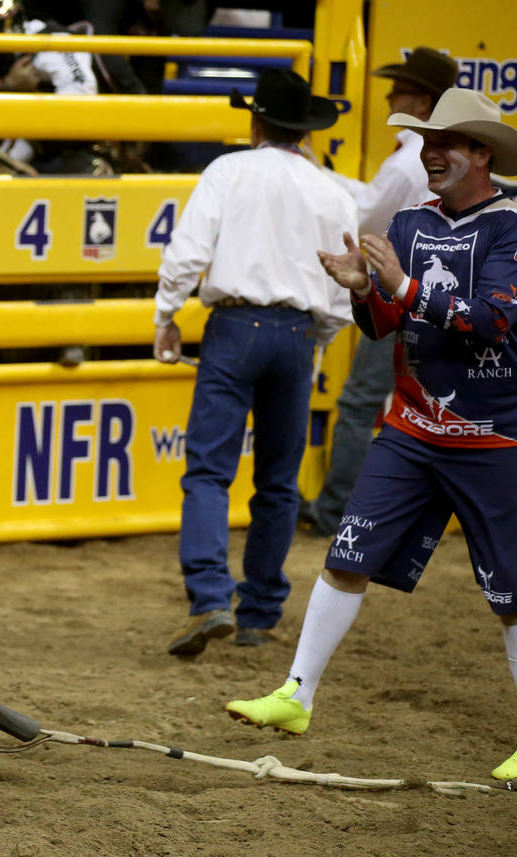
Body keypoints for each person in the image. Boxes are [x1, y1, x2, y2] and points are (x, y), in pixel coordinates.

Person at [225, 87, 517, 784]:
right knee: (346, 552)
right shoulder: (414, 222)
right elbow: (385, 325)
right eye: (424, 142)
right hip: (413, 427)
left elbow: (496, 322)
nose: (429, 154)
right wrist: (364, 290)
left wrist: (404, 287)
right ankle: (297, 694)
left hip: (495, 436)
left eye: (444, 142)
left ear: (481, 153)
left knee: (513, 593)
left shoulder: (510, 225)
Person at [153, 68, 357, 655]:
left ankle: (211, 596)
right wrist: (315, 342)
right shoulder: (332, 190)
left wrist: (166, 316)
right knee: (277, 480)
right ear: (304, 129)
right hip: (297, 333)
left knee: (210, 470)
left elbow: (187, 252)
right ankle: (260, 613)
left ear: (256, 121)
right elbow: (343, 291)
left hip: (236, 326)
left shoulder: (228, 171)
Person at [298, 47, 459, 537]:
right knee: (427, 407)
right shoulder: (434, 153)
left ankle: (336, 513)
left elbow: (366, 213)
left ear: (424, 101)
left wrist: (314, 172)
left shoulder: (411, 158)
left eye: (400, 91)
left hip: (399, 293)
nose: (390, 97)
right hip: (433, 295)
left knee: (360, 401)